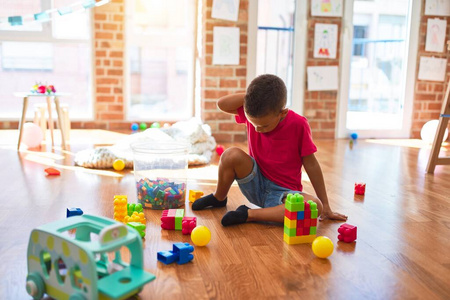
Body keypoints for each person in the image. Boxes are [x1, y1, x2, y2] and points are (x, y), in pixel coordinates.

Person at [192, 74, 347, 226]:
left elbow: (311, 165)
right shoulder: (255, 111)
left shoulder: (299, 124)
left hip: (283, 195)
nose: (258, 129)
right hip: (255, 183)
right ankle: (219, 198)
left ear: (282, 113)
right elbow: (222, 104)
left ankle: (249, 215)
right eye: (253, 125)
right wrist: (252, 96)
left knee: (315, 206)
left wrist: (326, 205)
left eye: (264, 126)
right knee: (230, 154)